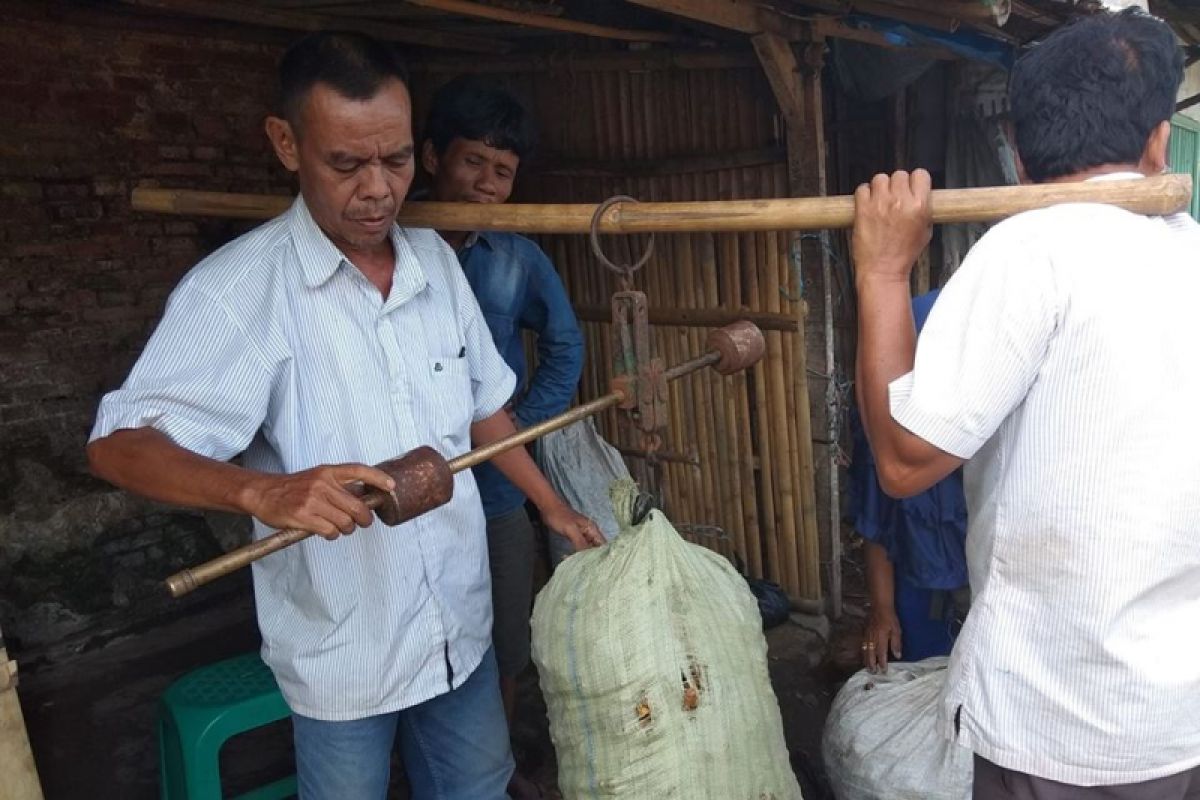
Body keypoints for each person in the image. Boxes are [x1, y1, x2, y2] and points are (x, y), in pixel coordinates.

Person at [86, 32, 602, 800]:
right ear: (286, 143)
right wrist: (262, 493)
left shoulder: (434, 263)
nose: (377, 191)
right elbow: (120, 445)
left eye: (395, 161)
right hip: (343, 652)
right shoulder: (237, 291)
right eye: (346, 164)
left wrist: (553, 506)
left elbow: (484, 405)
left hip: (457, 627)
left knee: (477, 790)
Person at [851, 9, 1200, 797]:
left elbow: (905, 463)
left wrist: (880, 272)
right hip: (1180, 716)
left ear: (1017, 145)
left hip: (1058, 724)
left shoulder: (1030, 248)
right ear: (1157, 141)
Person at [420, 75, 584, 800]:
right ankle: (433, 763)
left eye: (503, 171)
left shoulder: (517, 257)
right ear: (431, 158)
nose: (486, 184)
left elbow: (566, 347)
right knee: (424, 639)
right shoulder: (393, 252)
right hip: (412, 490)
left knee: (504, 639)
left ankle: (496, 770)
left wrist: (519, 425)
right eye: (472, 163)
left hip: (493, 484)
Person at [849, 289, 968, 673]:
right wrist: (883, 611)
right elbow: (876, 520)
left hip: (998, 593)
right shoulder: (885, 421)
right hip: (918, 589)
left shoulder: (1003, 418)